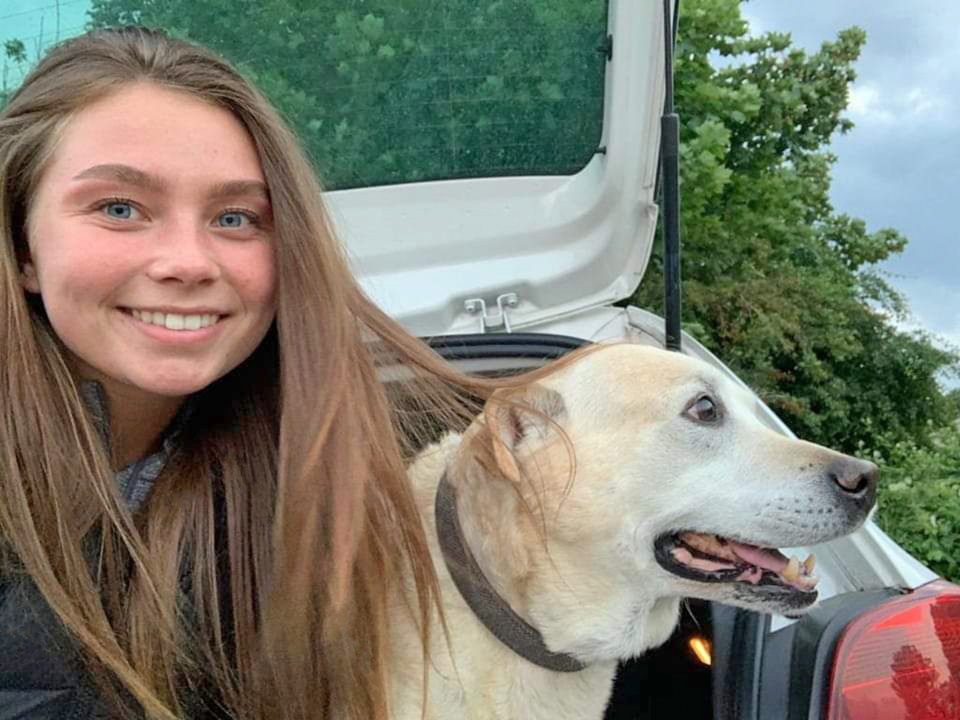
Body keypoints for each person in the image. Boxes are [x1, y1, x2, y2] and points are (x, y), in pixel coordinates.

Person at [0, 25, 537, 720]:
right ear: (23, 248)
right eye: (120, 208)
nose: (189, 261)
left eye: (235, 217)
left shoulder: (324, 475)